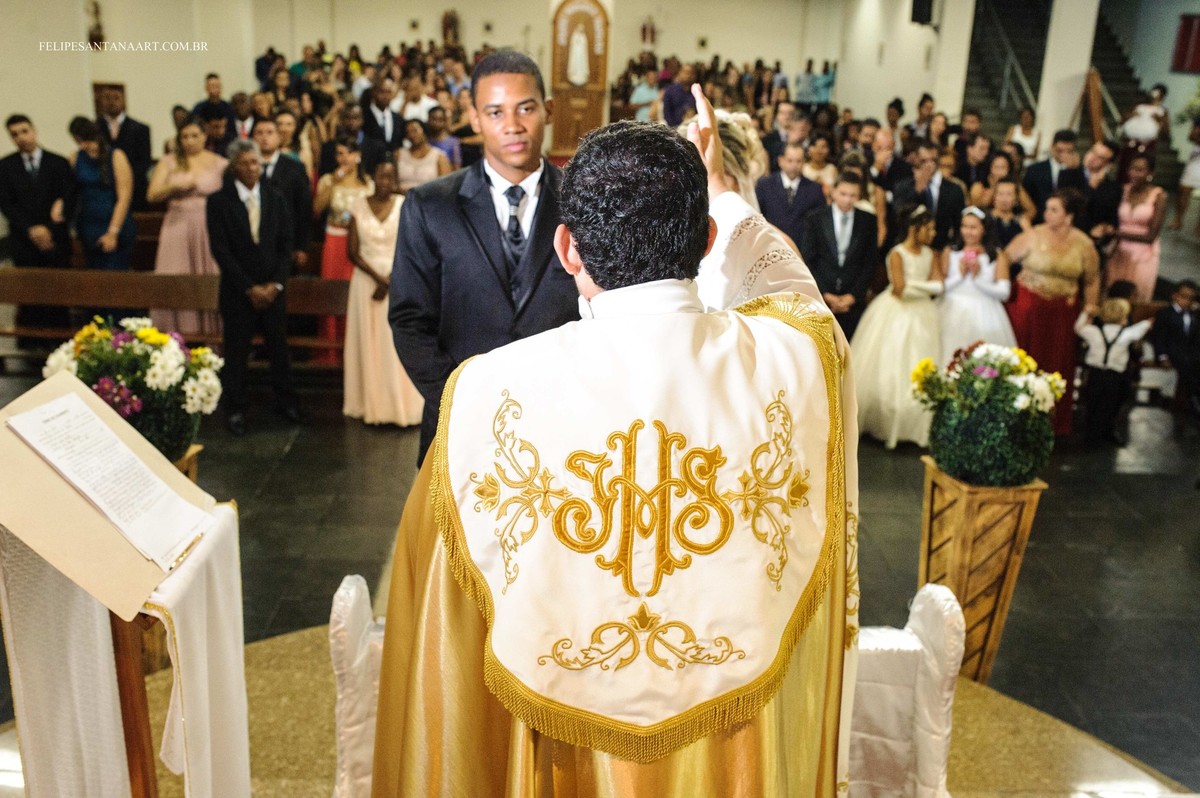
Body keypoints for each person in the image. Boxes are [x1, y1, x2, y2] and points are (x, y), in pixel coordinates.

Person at [372, 100, 857, 798]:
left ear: (566, 247)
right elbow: (796, 292)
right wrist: (720, 188)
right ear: (705, 237)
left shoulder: (484, 393)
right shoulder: (792, 361)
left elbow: (436, 631)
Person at [390, 50, 580, 463]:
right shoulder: (430, 205)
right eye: (494, 112)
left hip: (560, 424)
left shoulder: (584, 202)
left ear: (547, 110)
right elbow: (409, 319)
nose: (512, 126)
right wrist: (460, 402)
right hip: (458, 423)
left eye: (525, 108)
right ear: (474, 119)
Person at [206, 139, 300, 436]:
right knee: (236, 353)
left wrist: (275, 284)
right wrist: (249, 288)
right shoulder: (218, 202)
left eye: (256, 163)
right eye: (245, 163)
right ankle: (235, 408)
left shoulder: (276, 197)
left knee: (279, 349)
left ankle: (285, 402)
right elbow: (221, 251)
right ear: (234, 167)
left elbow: (286, 247)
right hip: (238, 292)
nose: (251, 168)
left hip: (273, 290)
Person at [1004, 189, 1101, 436]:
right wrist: (1004, 288)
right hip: (1029, 310)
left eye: (1054, 210)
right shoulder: (1032, 236)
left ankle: (1050, 421)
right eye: (1046, 208)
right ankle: (1014, 415)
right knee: (1025, 359)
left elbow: (1091, 280)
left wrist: (1090, 309)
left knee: (1056, 362)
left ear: (1069, 216)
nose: (1047, 214)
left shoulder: (1084, 244)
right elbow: (1004, 258)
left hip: (1061, 315)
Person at [852, 205, 942, 447]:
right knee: (893, 364)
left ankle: (917, 424)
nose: (933, 233)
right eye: (929, 228)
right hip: (897, 314)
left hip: (924, 314)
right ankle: (888, 420)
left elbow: (939, 285)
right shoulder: (896, 253)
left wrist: (917, 286)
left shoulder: (930, 254)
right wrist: (924, 286)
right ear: (915, 228)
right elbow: (900, 290)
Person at [344, 162, 423, 426]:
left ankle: (399, 407)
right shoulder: (358, 205)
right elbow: (352, 251)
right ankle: (370, 405)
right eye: (381, 175)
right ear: (372, 176)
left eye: (391, 176)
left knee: (394, 344)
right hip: (366, 283)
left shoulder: (406, 205)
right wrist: (378, 278)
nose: (386, 180)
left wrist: (390, 280)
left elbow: (412, 247)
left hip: (399, 280)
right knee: (368, 342)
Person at [145, 116, 227, 336]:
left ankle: (212, 339)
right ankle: (173, 340)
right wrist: (174, 185)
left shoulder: (219, 162)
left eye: (194, 136)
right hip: (177, 225)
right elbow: (152, 194)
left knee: (208, 277)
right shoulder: (169, 161)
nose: (189, 141)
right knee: (175, 275)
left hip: (208, 226)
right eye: (185, 136)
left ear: (205, 136)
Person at [0, 114, 74, 342]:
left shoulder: (58, 163)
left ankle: (59, 343)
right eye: (15, 134)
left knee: (57, 291)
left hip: (55, 240)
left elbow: (69, 198)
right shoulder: (5, 166)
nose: (21, 137)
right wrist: (32, 230)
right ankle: (30, 345)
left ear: (34, 130)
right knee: (29, 293)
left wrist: (49, 229)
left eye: (24, 131)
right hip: (24, 241)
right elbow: (6, 203)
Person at [799, 171, 879, 339]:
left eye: (853, 195)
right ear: (833, 191)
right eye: (843, 194)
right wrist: (825, 294)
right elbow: (809, 260)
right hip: (821, 299)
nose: (847, 200)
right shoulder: (815, 219)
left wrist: (853, 296)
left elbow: (869, 262)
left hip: (853, 302)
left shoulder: (868, 221)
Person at [314, 137, 374, 360]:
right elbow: (317, 209)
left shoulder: (368, 183)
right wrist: (333, 184)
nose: (344, 158)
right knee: (332, 292)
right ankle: (330, 350)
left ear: (357, 156)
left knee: (355, 292)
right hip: (334, 240)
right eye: (339, 154)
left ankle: (357, 351)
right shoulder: (328, 180)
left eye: (348, 153)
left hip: (360, 245)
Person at [939, 207, 1016, 365]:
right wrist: (960, 276)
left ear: (984, 229)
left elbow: (1004, 292)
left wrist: (977, 278)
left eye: (973, 227)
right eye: (964, 226)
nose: (968, 232)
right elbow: (941, 287)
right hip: (952, 308)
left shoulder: (995, 254)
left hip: (986, 310)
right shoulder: (951, 251)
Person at [1075, 297, 1152, 444]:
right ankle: (1106, 432)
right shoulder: (1127, 333)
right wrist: (1149, 322)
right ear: (1124, 317)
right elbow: (1144, 326)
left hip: (1095, 375)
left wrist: (1085, 314)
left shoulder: (1093, 331)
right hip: (1114, 377)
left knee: (1093, 405)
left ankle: (1091, 435)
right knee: (1109, 406)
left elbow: (1078, 328)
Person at [67, 116, 136, 274]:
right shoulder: (75, 157)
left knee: (114, 273)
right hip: (88, 223)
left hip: (114, 221)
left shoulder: (116, 156)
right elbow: (70, 191)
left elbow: (124, 197)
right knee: (94, 274)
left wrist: (113, 232)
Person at [1105, 153, 1166, 303]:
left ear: (1150, 173)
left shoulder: (1159, 196)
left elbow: (1151, 236)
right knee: (1112, 294)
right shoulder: (1123, 190)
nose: (1133, 173)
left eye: (1140, 170)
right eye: (1131, 169)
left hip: (1142, 254)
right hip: (1119, 251)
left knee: (1135, 296)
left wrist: (1117, 233)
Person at [254, 117, 312, 276]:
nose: (264, 137)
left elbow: (304, 209)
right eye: (259, 133)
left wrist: (302, 247)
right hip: (251, 244)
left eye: (269, 133)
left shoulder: (295, 168)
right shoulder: (243, 167)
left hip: (285, 243)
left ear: (279, 137)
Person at [892, 138, 966, 250]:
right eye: (924, 161)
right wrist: (917, 191)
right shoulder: (903, 186)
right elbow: (900, 216)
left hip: (940, 249)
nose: (929, 165)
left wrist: (951, 248)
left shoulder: (954, 190)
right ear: (915, 159)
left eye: (933, 160)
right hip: (910, 248)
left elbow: (958, 224)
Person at [754, 140, 825, 247]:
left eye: (798, 161)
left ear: (804, 162)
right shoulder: (765, 185)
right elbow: (757, 217)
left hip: (802, 250)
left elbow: (819, 225)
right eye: (790, 160)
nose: (794, 165)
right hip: (770, 247)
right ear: (780, 161)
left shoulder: (814, 189)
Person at [97, 86, 151, 212]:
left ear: (123, 100)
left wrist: (125, 179)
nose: (111, 102)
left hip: (135, 189)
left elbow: (144, 161)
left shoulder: (140, 129)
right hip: (104, 189)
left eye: (116, 98)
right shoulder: (95, 128)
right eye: (107, 98)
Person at [1149, 280, 1200, 413]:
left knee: (1193, 363)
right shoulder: (1165, 313)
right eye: (1184, 297)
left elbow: (1195, 338)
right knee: (1188, 366)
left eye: (1191, 298)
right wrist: (1162, 356)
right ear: (1175, 295)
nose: (1187, 301)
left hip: (1189, 353)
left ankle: (1192, 397)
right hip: (1172, 351)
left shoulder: (1193, 316)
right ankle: (1193, 398)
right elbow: (1158, 337)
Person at [1023, 129, 1077, 221]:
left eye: (1069, 151)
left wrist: (1072, 171)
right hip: (1040, 220)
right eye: (1060, 151)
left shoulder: (1077, 172)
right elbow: (1027, 196)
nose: (1064, 155)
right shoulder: (1035, 170)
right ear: (1052, 148)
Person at [318, 105, 386, 177]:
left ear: (362, 120)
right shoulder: (328, 148)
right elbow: (324, 175)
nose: (352, 122)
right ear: (341, 120)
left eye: (355, 118)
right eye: (347, 118)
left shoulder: (376, 147)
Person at [970, 151, 1037, 217]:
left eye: (1003, 168)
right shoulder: (979, 186)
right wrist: (994, 187)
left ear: (1009, 169)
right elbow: (977, 209)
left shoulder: (1015, 186)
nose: (1000, 172)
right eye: (996, 167)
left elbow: (1031, 210)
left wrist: (1018, 222)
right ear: (989, 168)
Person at [397, 118, 451, 193]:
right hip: (401, 199)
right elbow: (392, 183)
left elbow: (446, 187)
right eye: (408, 132)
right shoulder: (399, 154)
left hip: (429, 200)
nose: (412, 135)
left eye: (415, 130)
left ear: (424, 130)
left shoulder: (439, 156)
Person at [990, 177, 1031, 250]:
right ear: (994, 196)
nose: (1004, 199)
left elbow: (1030, 246)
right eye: (1000, 194)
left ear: (1016, 198)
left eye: (1009, 194)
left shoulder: (1022, 221)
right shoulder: (985, 218)